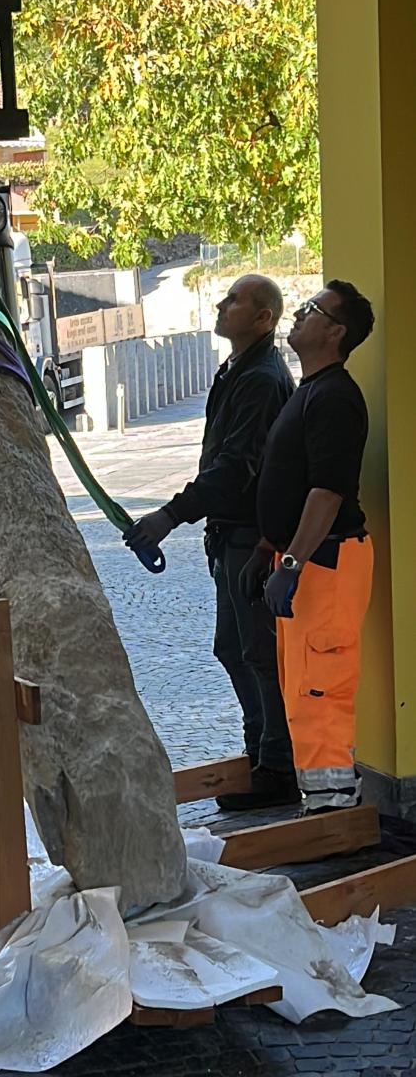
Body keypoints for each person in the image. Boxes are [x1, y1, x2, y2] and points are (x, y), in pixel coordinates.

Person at [126, 274, 298, 809]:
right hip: (232, 535)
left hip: (250, 538)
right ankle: (261, 754)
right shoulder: (239, 370)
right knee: (233, 649)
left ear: (264, 318)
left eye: (235, 300)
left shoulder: (261, 379)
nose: (222, 305)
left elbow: (235, 467)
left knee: (259, 654)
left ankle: (276, 766)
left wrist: (170, 515)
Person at [241, 280, 375, 814]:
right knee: (302, 688)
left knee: (321, 689)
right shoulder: (310, 391)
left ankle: (334, 812)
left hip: (326, 561)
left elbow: (327, 492)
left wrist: (291, 563)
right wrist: (269, 549)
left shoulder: (336, 397)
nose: (298, 314)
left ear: (335, 331)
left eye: (312, 309)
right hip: (305, 559)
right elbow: (294, 484)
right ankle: (323, 805)